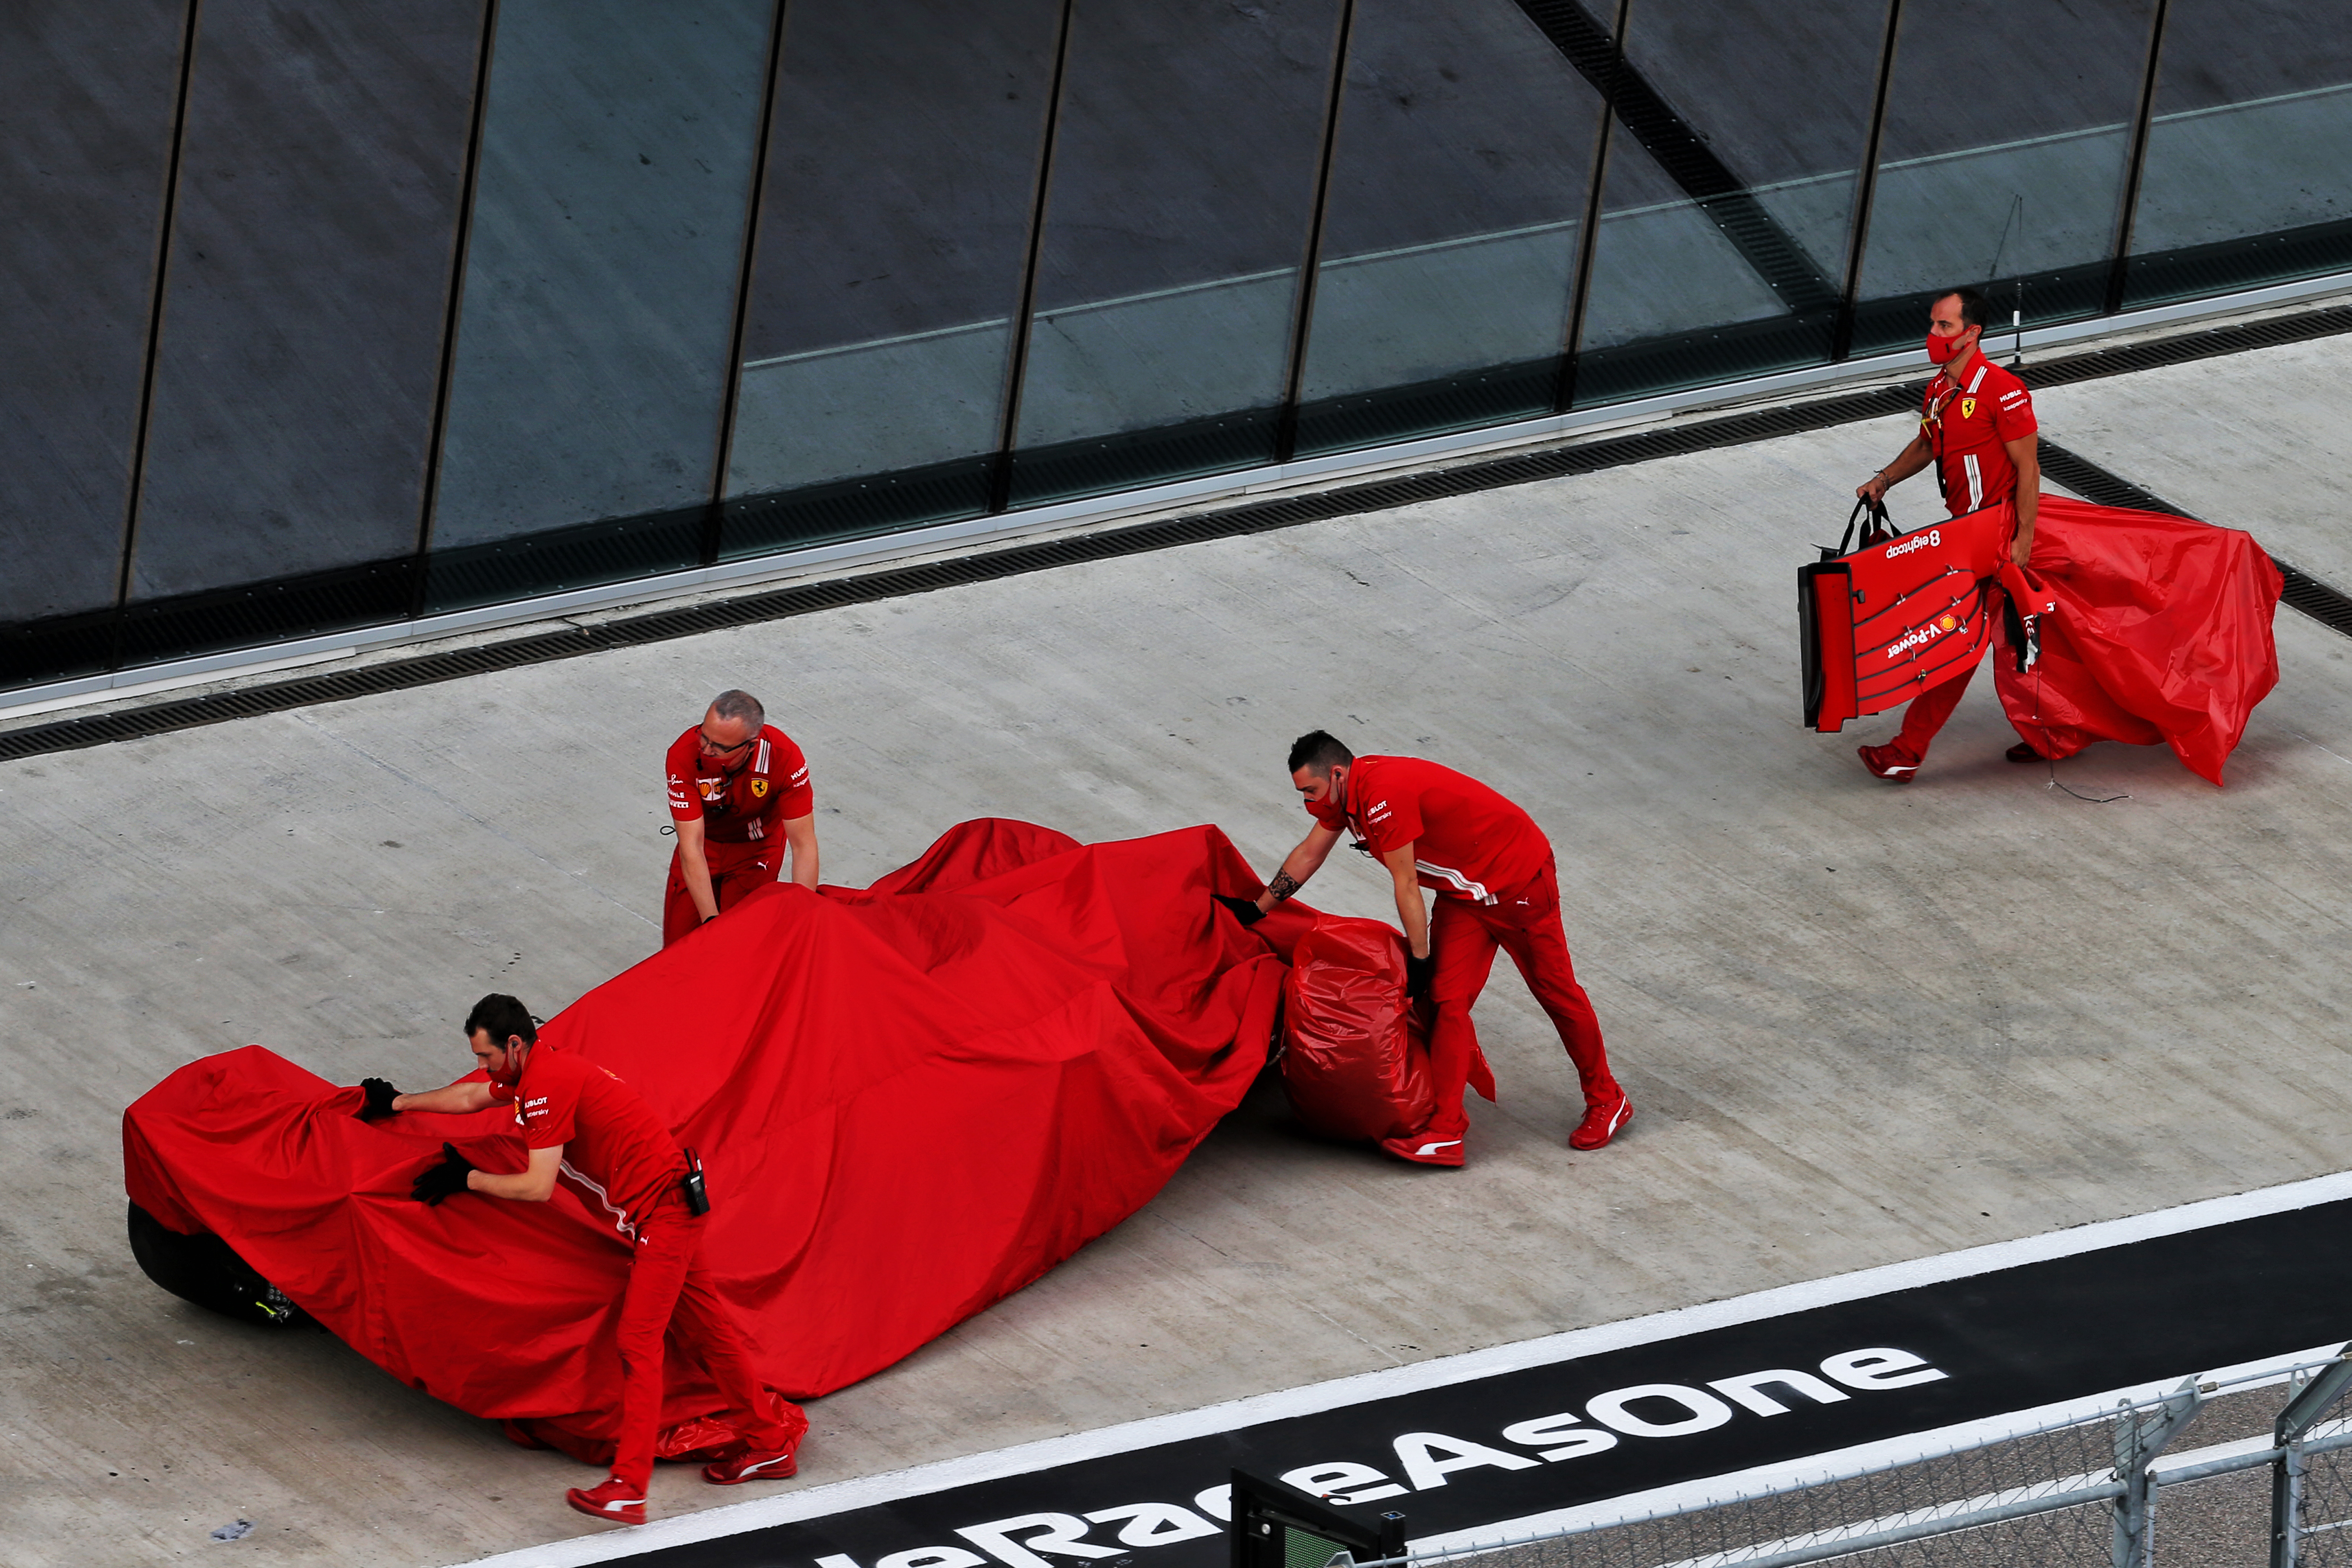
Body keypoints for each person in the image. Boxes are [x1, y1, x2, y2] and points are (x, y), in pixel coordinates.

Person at [358, 994, 802, 1524]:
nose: (483, 1068)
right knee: (710, 1336)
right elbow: (474, 1099)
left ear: (515, 1045)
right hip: (674, 1207)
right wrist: (400, 1103)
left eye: (489, 1057)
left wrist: (467, 1179)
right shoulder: (539, 1069)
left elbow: (537, 1186)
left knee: (639, 1342)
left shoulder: (546, 1087)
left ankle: (629, 1486)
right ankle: (771, 1443)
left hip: (665, 1216)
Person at [1222, 731, 1629, 1168]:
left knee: (1556, 993)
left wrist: (1419, 958)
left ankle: (1608, 1100)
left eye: (1311, 791)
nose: (1308, 803)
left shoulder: (1382, 796)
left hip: (1518, 884)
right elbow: (1308, 854)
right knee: (1448, 1003)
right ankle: (1447, 1131)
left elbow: (1407, 885)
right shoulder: (1347, 797)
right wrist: (1256, 909)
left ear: (1337, 775)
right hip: (1467, 895)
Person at [1852, 285, 2043, 781]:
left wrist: (2021, 541)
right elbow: (1927, 444)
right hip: (1967, 534)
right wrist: (1884, 480)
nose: (1933, 335)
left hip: (1996, 536)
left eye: (1945, 326)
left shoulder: (2004, 390)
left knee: (1959, 638)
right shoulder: (1940, 389)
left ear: (1972, 334)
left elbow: (2029, 470)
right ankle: (2056, 733)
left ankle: (1907, 751)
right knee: (2032, 640)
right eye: (1933, 324)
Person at [663, 689, 817, 946]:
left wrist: (804, 912)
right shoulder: (683, 753)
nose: (706, 750)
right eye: (705, 737)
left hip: (756, 853)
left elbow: (804, 846)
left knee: (741, 944)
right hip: (705, 848)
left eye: (720, 748)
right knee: (681, 947)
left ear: (751, 746)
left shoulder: (785, 758)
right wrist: (711, 921)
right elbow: (691, 845)